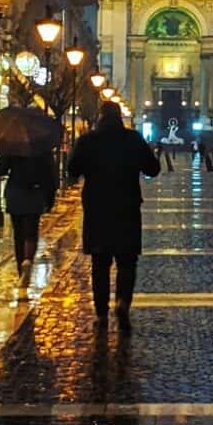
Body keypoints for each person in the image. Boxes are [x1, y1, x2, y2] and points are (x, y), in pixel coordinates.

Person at [68, 101, 160, 333]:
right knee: (127, 261)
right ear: (119, 117)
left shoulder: (88, 140)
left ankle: (101, 314)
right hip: (127, 207)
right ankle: (122, 303)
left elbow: (71, 170)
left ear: (99, 116)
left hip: (97, 208)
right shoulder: (133, 139)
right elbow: (153, 169)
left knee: (100, 263)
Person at [0, 147, 57, 288]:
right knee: (31, 231)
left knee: (18, 235)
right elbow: (51, 175)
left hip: (15, 193)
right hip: (35, 193)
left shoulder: (12, 146)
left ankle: (20, 270)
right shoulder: (43, 148)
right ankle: (28, 260)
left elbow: (1, 170)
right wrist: (50, 199)